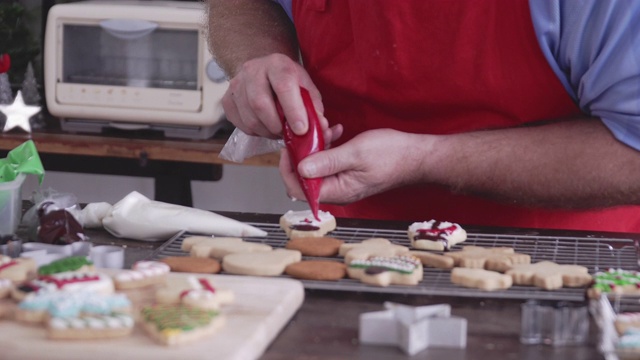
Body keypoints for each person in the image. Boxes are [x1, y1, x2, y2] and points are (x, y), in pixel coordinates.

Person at [207, 0, 640, 233]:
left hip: (562, 268)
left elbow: (632, 154)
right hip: (348, 250)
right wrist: (259, 57)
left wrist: (425, 158)